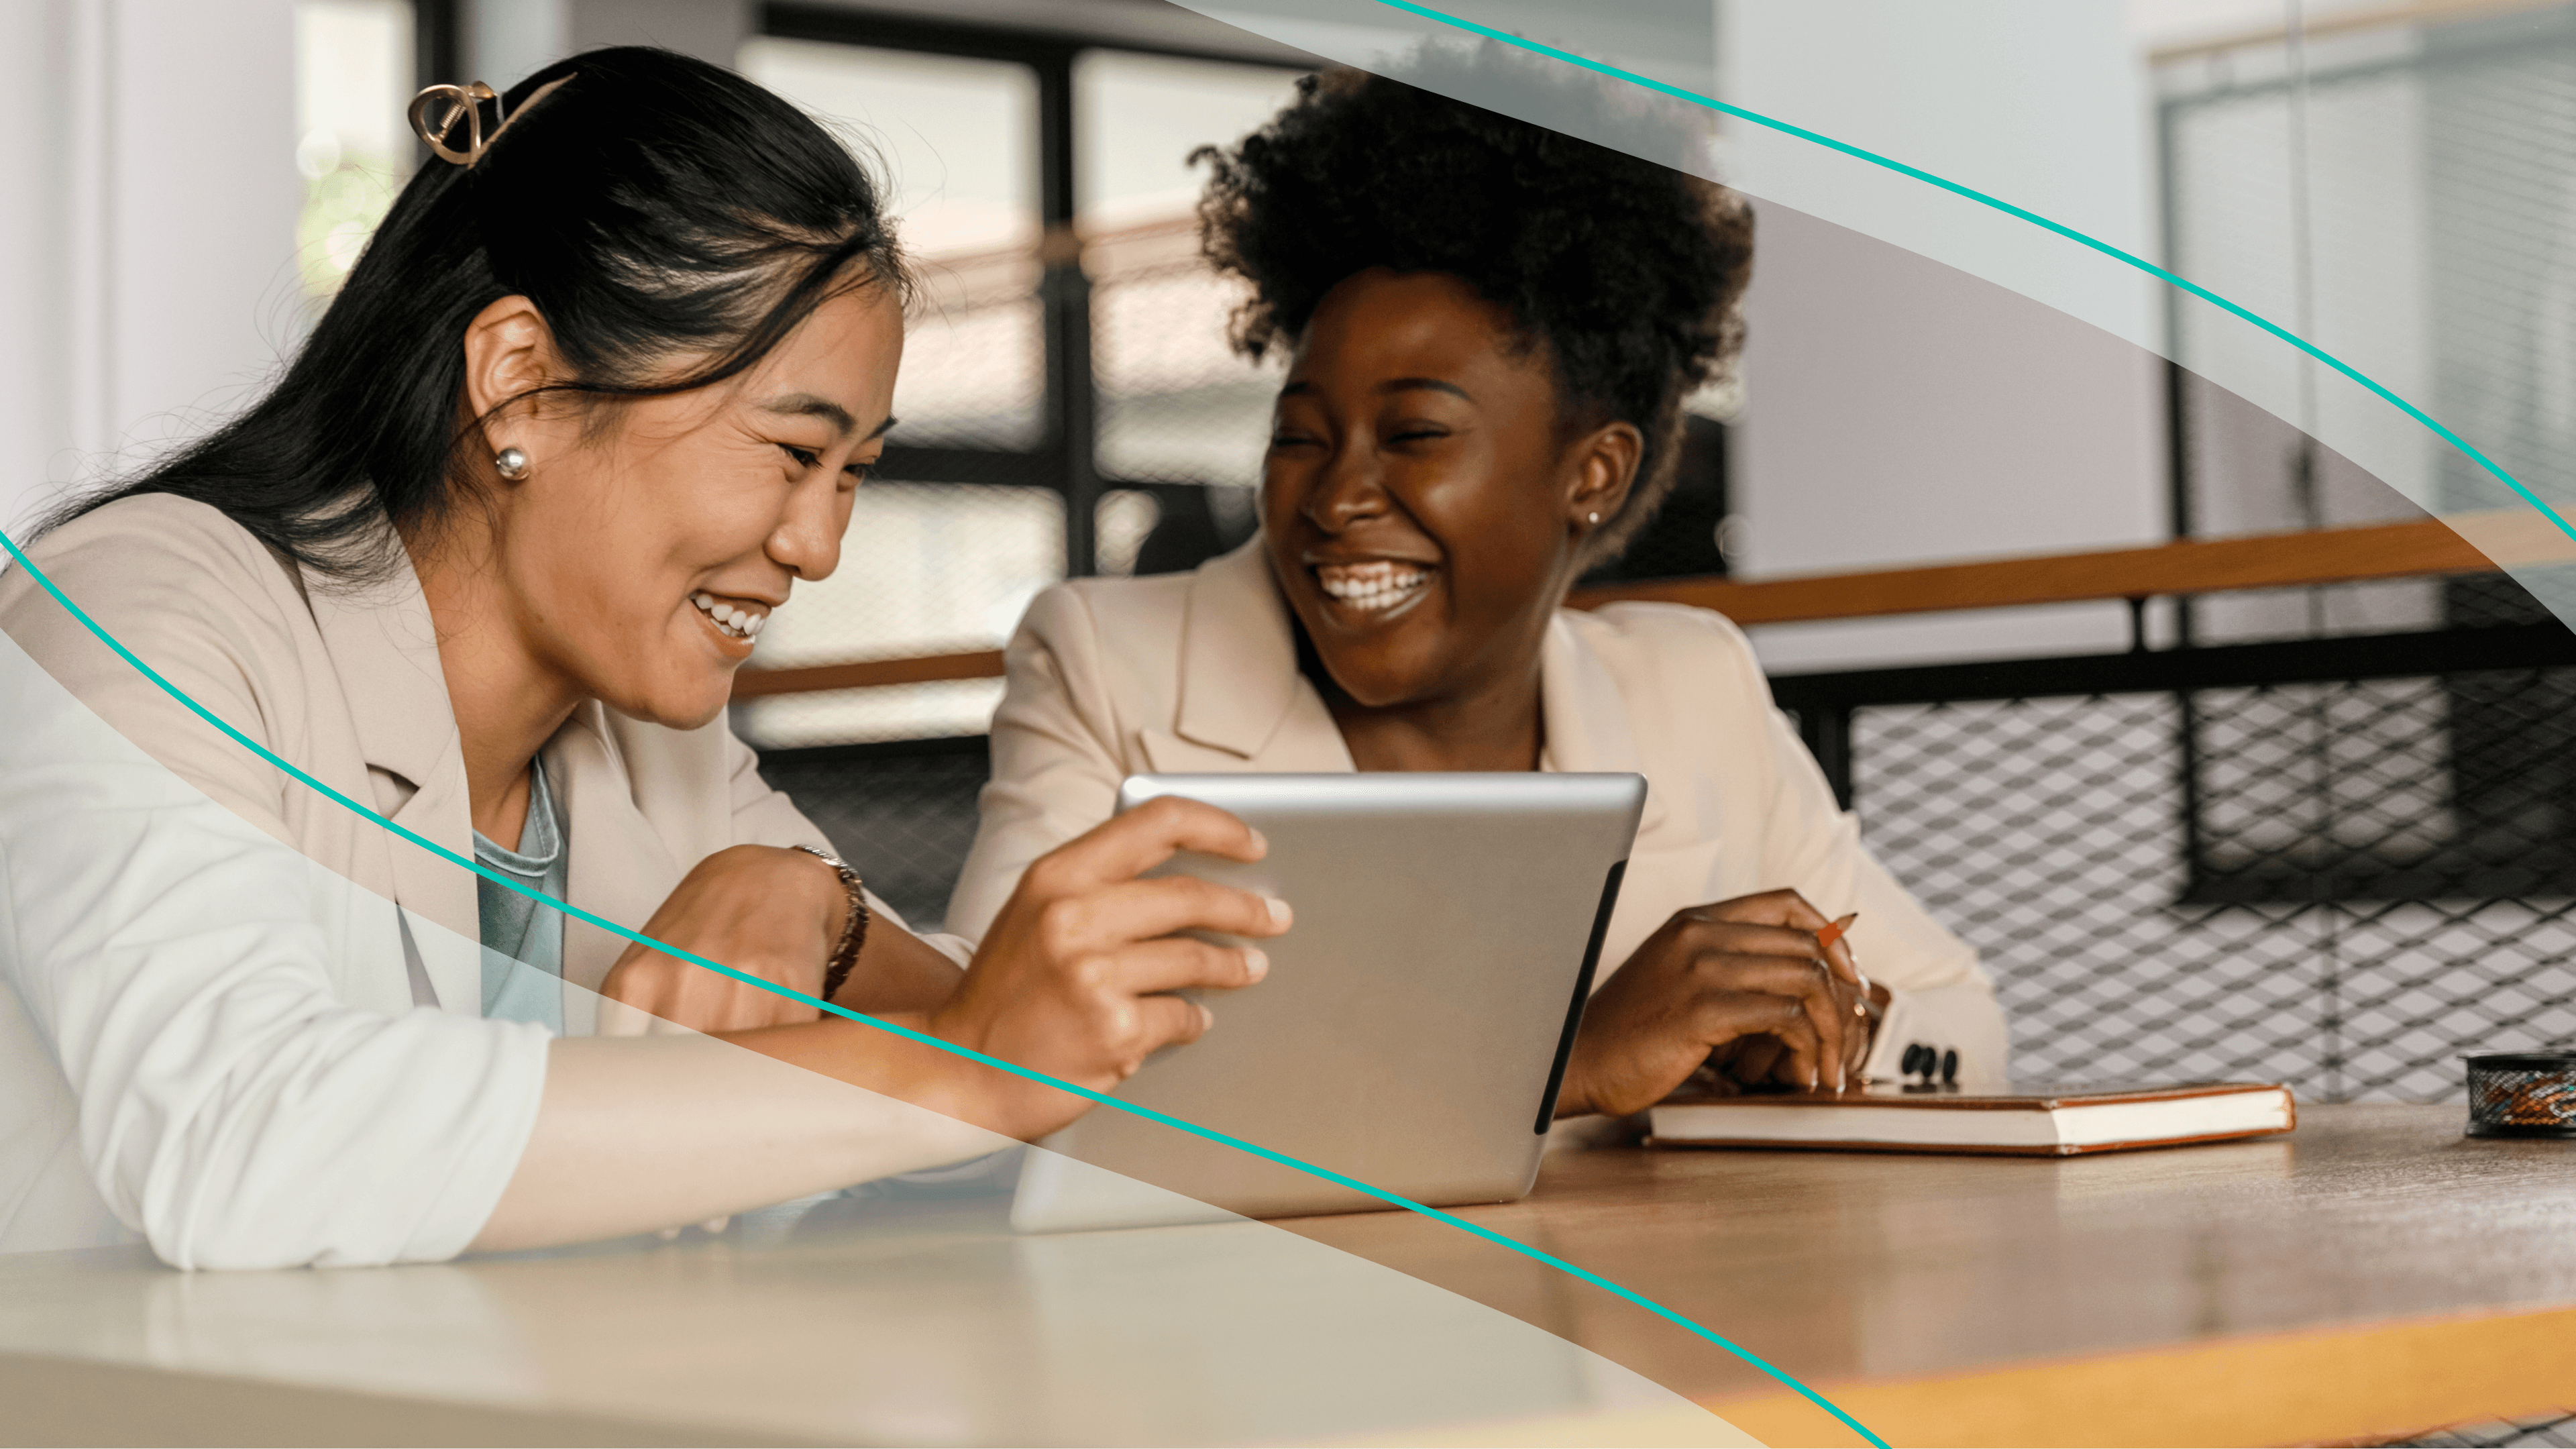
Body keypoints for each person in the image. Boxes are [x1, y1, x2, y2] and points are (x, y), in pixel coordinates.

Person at [0, 48, 1286, 1270]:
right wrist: (971, 1079)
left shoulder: (656, 740)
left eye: (858, 474)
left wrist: (822, 911)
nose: (820, 544)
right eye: (793, 452)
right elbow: (241, 1141)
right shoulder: (138, 614)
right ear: (521, 386)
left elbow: (975, 1030)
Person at [947, 57, 2006, 1120]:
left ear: (1594, 473)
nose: (1335, 497)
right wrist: (1565, 1066)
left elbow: (1964, 1023)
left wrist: (1828, 1034)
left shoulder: (1694, 684)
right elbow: (998, 1074)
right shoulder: (1106, 663)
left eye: (1414, 435)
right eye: (1300, 437)